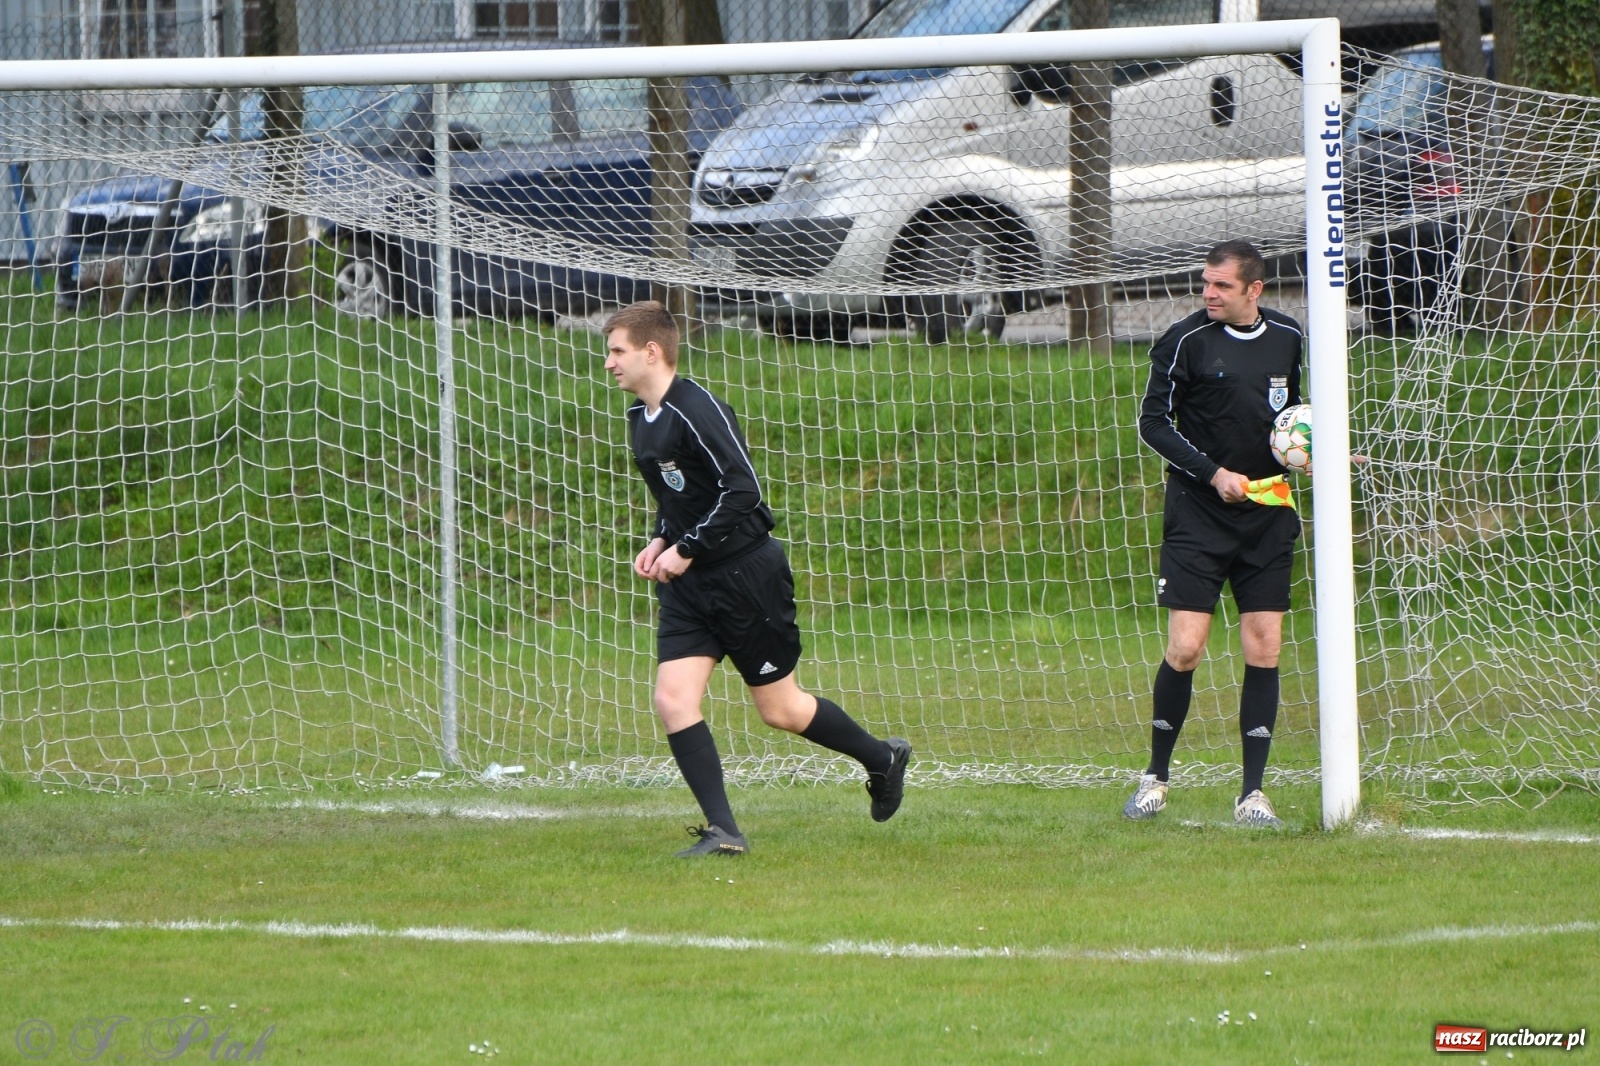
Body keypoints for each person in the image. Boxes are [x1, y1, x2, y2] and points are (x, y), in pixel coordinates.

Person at [603, 300, 912, 856]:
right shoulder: (640, 420)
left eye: (617, 351)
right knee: (674, 701)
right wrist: (659, 540)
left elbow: (742, 490)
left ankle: (882, 758)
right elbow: (677, 497)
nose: (610, 363)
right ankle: (725, 832)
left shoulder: (698, 409)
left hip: (747, 577)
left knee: (781, 710)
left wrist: (688, 548)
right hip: (691, 588)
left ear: (652, 352)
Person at [1126, 240, 1304, 828]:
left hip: (1267, 513)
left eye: (1222, 286)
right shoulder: (1184, 342)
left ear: (1254, 289)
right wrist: (1213, 473)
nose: (1208, 293)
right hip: (1198, 515)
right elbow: (1152, 423)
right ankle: (1155, 778)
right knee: (1185, 647)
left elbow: (1292, 417)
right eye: (1206, 283)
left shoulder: (1288, 337)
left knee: (1264, 646)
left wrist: (1315, 451)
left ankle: (1253, 793)